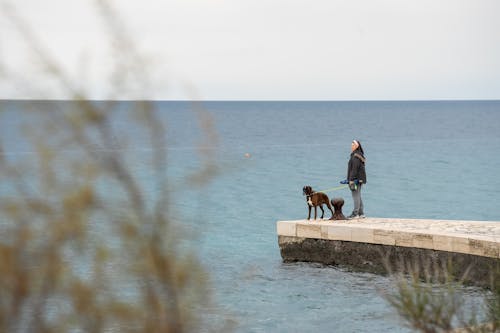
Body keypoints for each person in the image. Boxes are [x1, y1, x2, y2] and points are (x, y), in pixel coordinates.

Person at [342, 139, 367, 219]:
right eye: (351, 145)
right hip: (359, 179)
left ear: (357, 146)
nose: (351, 146)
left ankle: (355, 213)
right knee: (358, 195)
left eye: (353, 145)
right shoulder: (357, 154)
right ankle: (361, 213)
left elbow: (354, 169)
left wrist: (351, 180)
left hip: (356, 179)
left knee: (355, 195)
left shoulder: (356, 156)